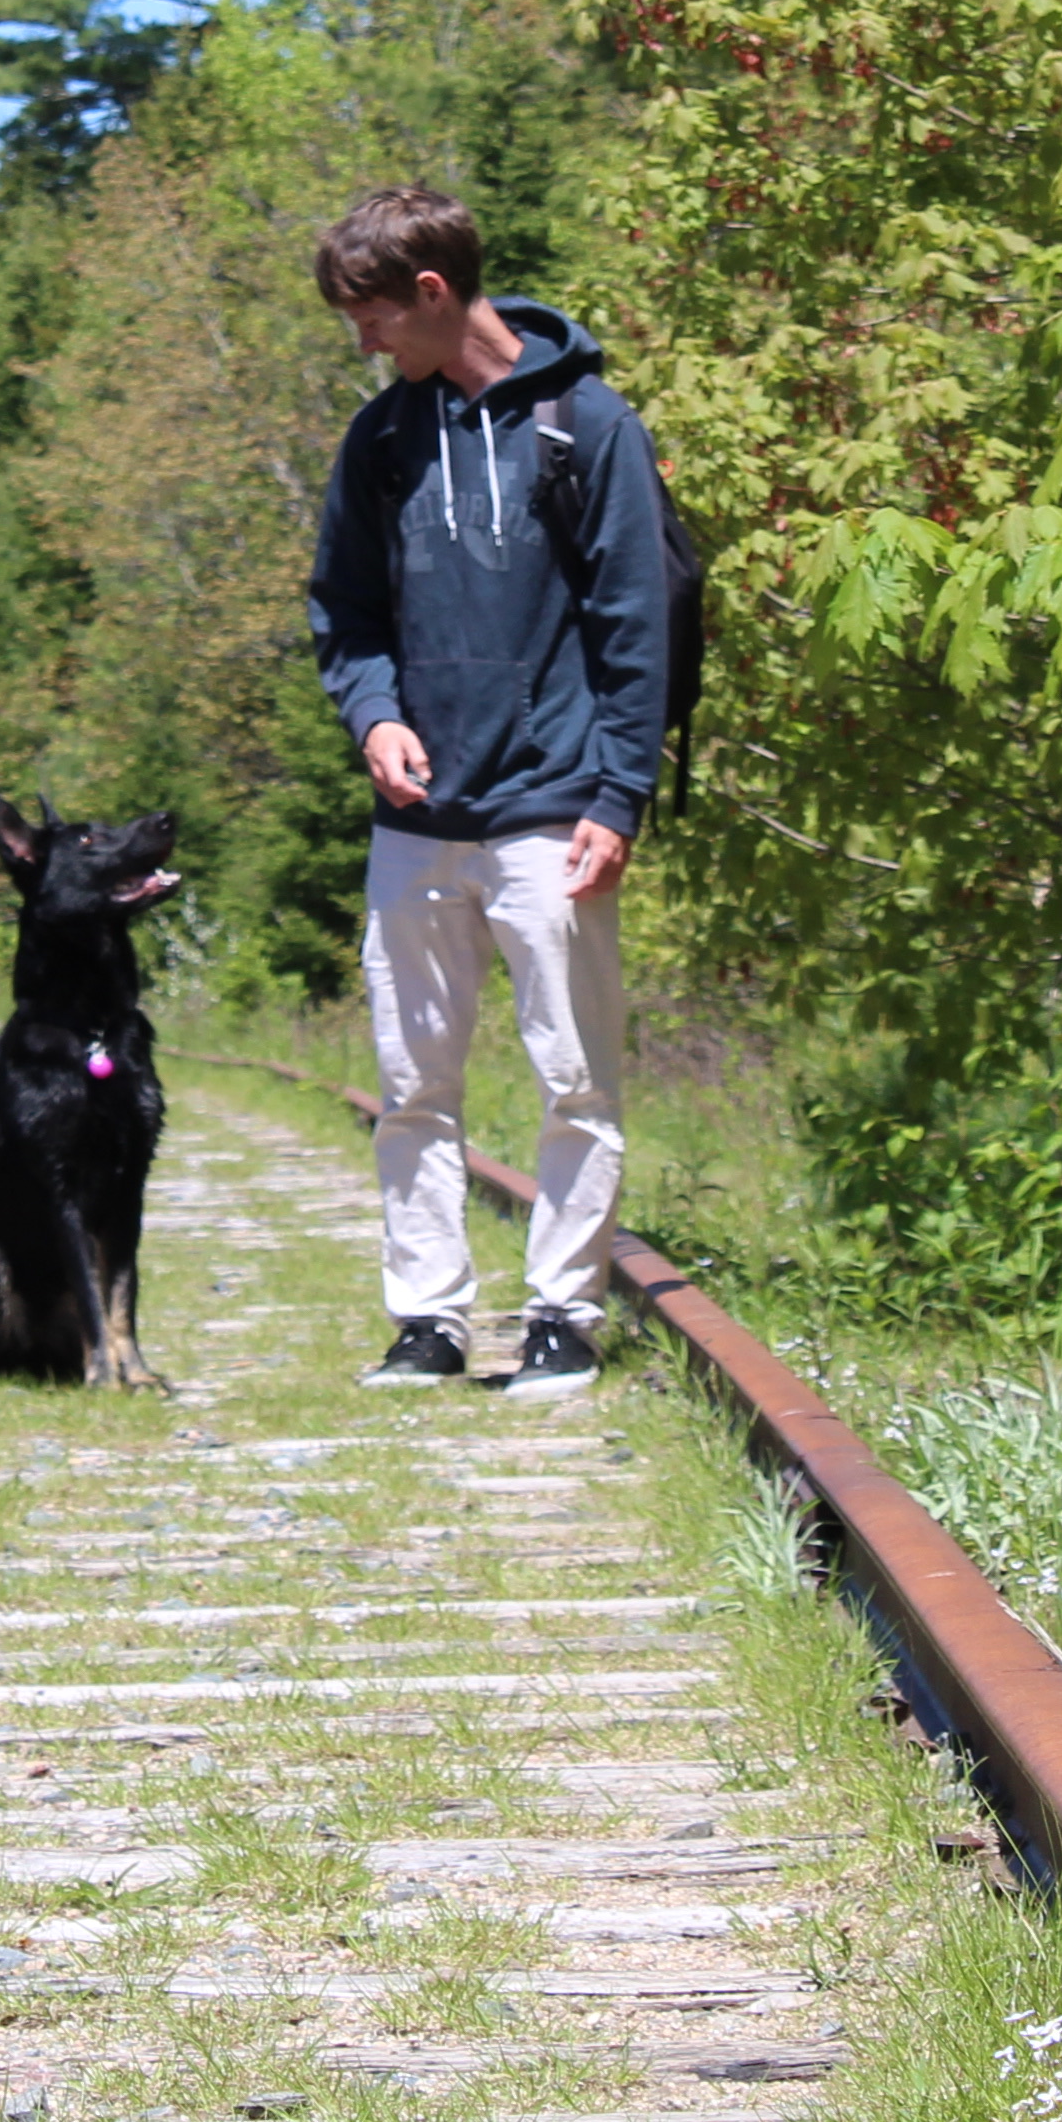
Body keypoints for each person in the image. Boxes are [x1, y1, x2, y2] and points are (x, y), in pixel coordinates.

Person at [303, 184, 670, 1401]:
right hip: (417, 822)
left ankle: (563, 1314)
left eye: (370, 320)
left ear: (432, 293)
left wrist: (618, 797)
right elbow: (344, 614)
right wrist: (375, 715)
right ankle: (429, 1322)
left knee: (575, 1079)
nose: (362, 345)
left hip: (555, 811)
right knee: (412, 1088)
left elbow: (636, 625)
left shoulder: (588, 427)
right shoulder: (383, 440)